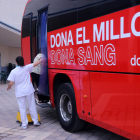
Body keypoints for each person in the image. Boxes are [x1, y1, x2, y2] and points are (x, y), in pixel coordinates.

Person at [7, 56, 41, 129]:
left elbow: (11, 83)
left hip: (20, 92)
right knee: (32, 106)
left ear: (16, 62)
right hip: (29, 91)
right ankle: (36, 122)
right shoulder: (27, 68)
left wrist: (9, 86)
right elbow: (36, 63)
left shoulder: (14, 71)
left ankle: (24, 125)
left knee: (22, 108)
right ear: (23, 61)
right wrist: (41, 60)